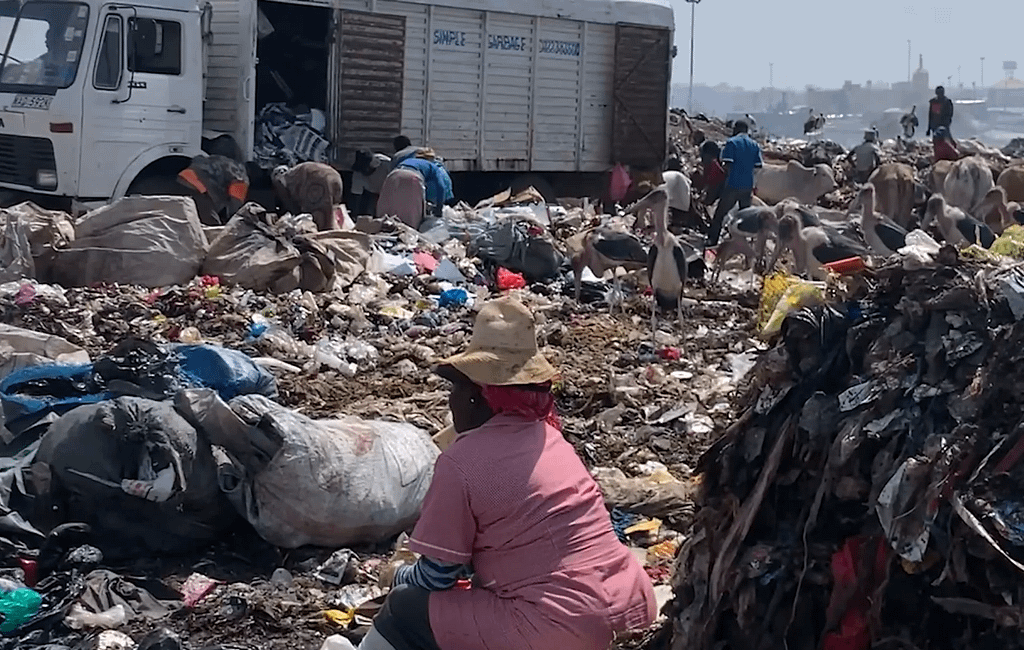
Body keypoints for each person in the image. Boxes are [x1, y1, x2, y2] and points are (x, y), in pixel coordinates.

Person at [338, 296, 656, 650]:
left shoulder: (461, 462)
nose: (451, 400)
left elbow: (437, 575)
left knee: (404, 607)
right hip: (631, 606)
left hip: (561, 626)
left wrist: (397, 575)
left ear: (479, 396)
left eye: (457, 387)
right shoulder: (550, 439)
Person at [708, 120, 763, 247]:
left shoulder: (731, 143)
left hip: (733, 185)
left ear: (735, 129)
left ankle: (712, 241)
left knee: (720, 214)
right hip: (747, 186)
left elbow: (727, 165)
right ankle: (747, 245)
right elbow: (758, 166)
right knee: (746, 217)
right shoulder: (754, 145)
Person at [271, 161, 344, 231]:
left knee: (318, 217)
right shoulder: (292, 174)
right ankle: (329, 231)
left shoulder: (280, 182)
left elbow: (289, 204)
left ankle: (322, 235)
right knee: (328, 211)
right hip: (334, 176)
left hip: (316, 181)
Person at [351, 149, 392, 216]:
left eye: (366, 168)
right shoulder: (357, 173)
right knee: (369, 211)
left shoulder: (386, 163)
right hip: (370, 192)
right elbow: (357, 194)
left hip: (387, 191)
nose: (364, 171)